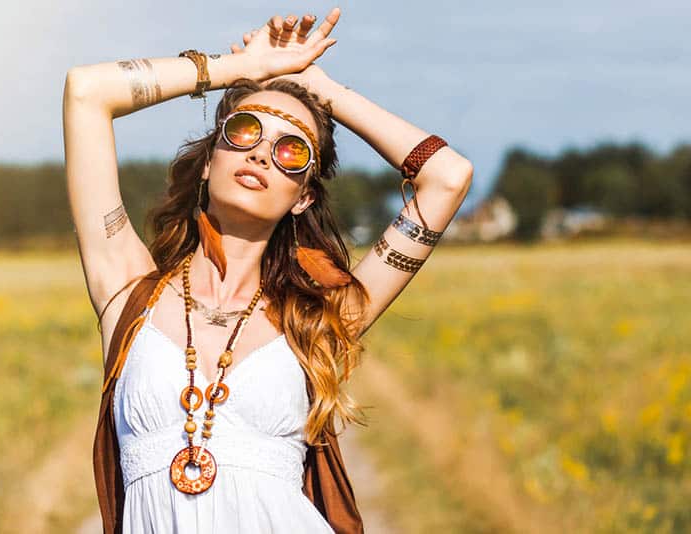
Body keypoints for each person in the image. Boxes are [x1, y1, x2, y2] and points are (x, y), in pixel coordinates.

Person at [62, 8, 473, 534]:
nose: (261, 154)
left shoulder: (319, 318)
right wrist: (240, 68)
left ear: (303, 197)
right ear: (209, 162)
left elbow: (447, 177)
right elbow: (86, 93)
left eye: (290, 149)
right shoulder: (127, 291)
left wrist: (320, 90)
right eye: (245, 130)